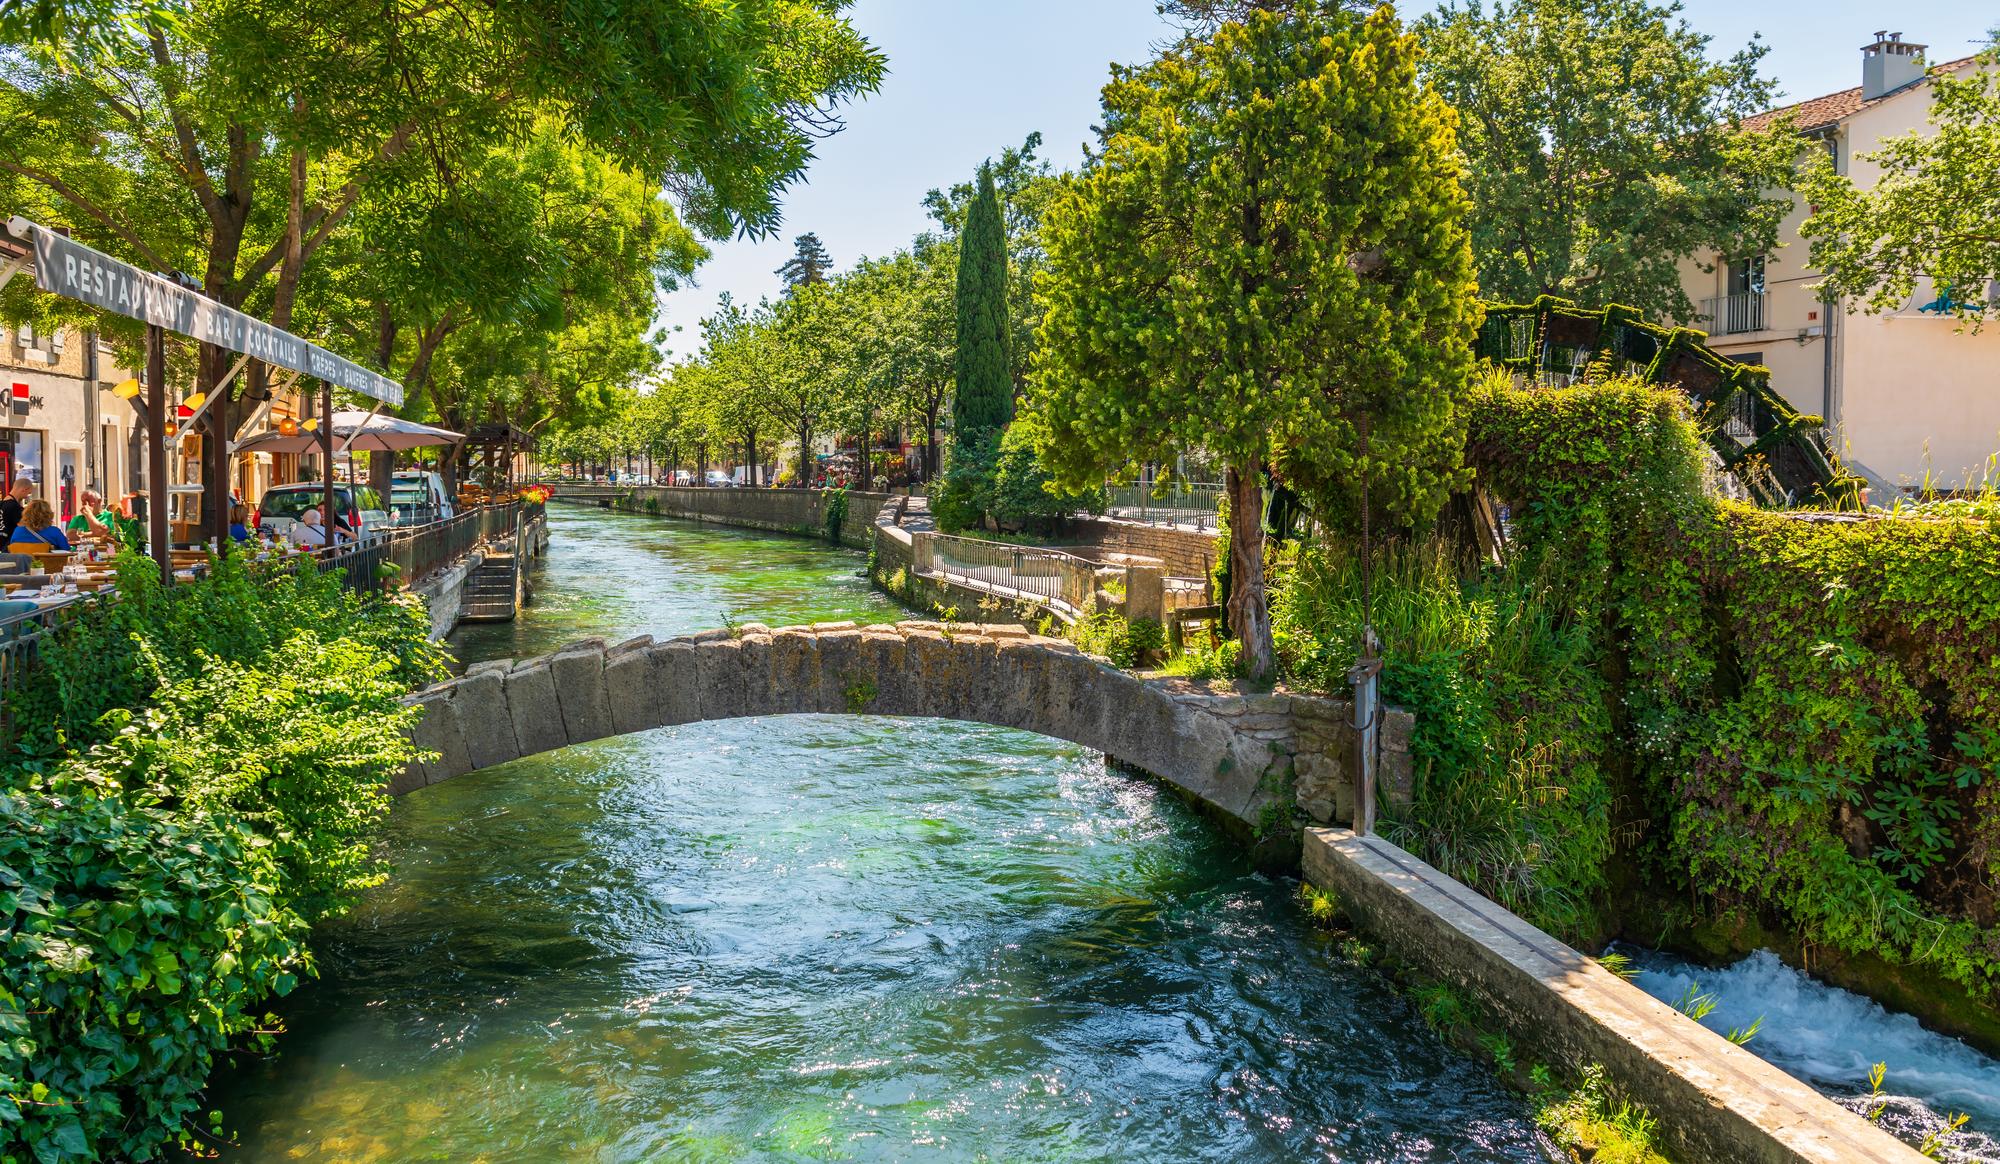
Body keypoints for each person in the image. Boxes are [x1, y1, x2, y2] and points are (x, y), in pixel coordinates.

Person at [0, 477, 29, 544]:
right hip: (9, 547)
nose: (27, 496)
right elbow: (25, 527)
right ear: (24, 490)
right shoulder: (15, 507)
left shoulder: (1, 504)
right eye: (28, 493)